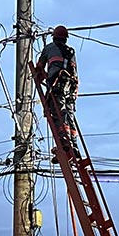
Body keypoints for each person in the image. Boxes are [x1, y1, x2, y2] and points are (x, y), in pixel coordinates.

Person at [34, 25, 79, 157]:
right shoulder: (71, 51)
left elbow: (39, 67)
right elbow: (74, 72)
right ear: (65, 39)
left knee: (58, 111)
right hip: (70, 86)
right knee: (69, 114)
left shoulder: (49, 48)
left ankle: (64, 139)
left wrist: (39, 77)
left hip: (57, 83)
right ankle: (74, 144)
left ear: (54, 37)